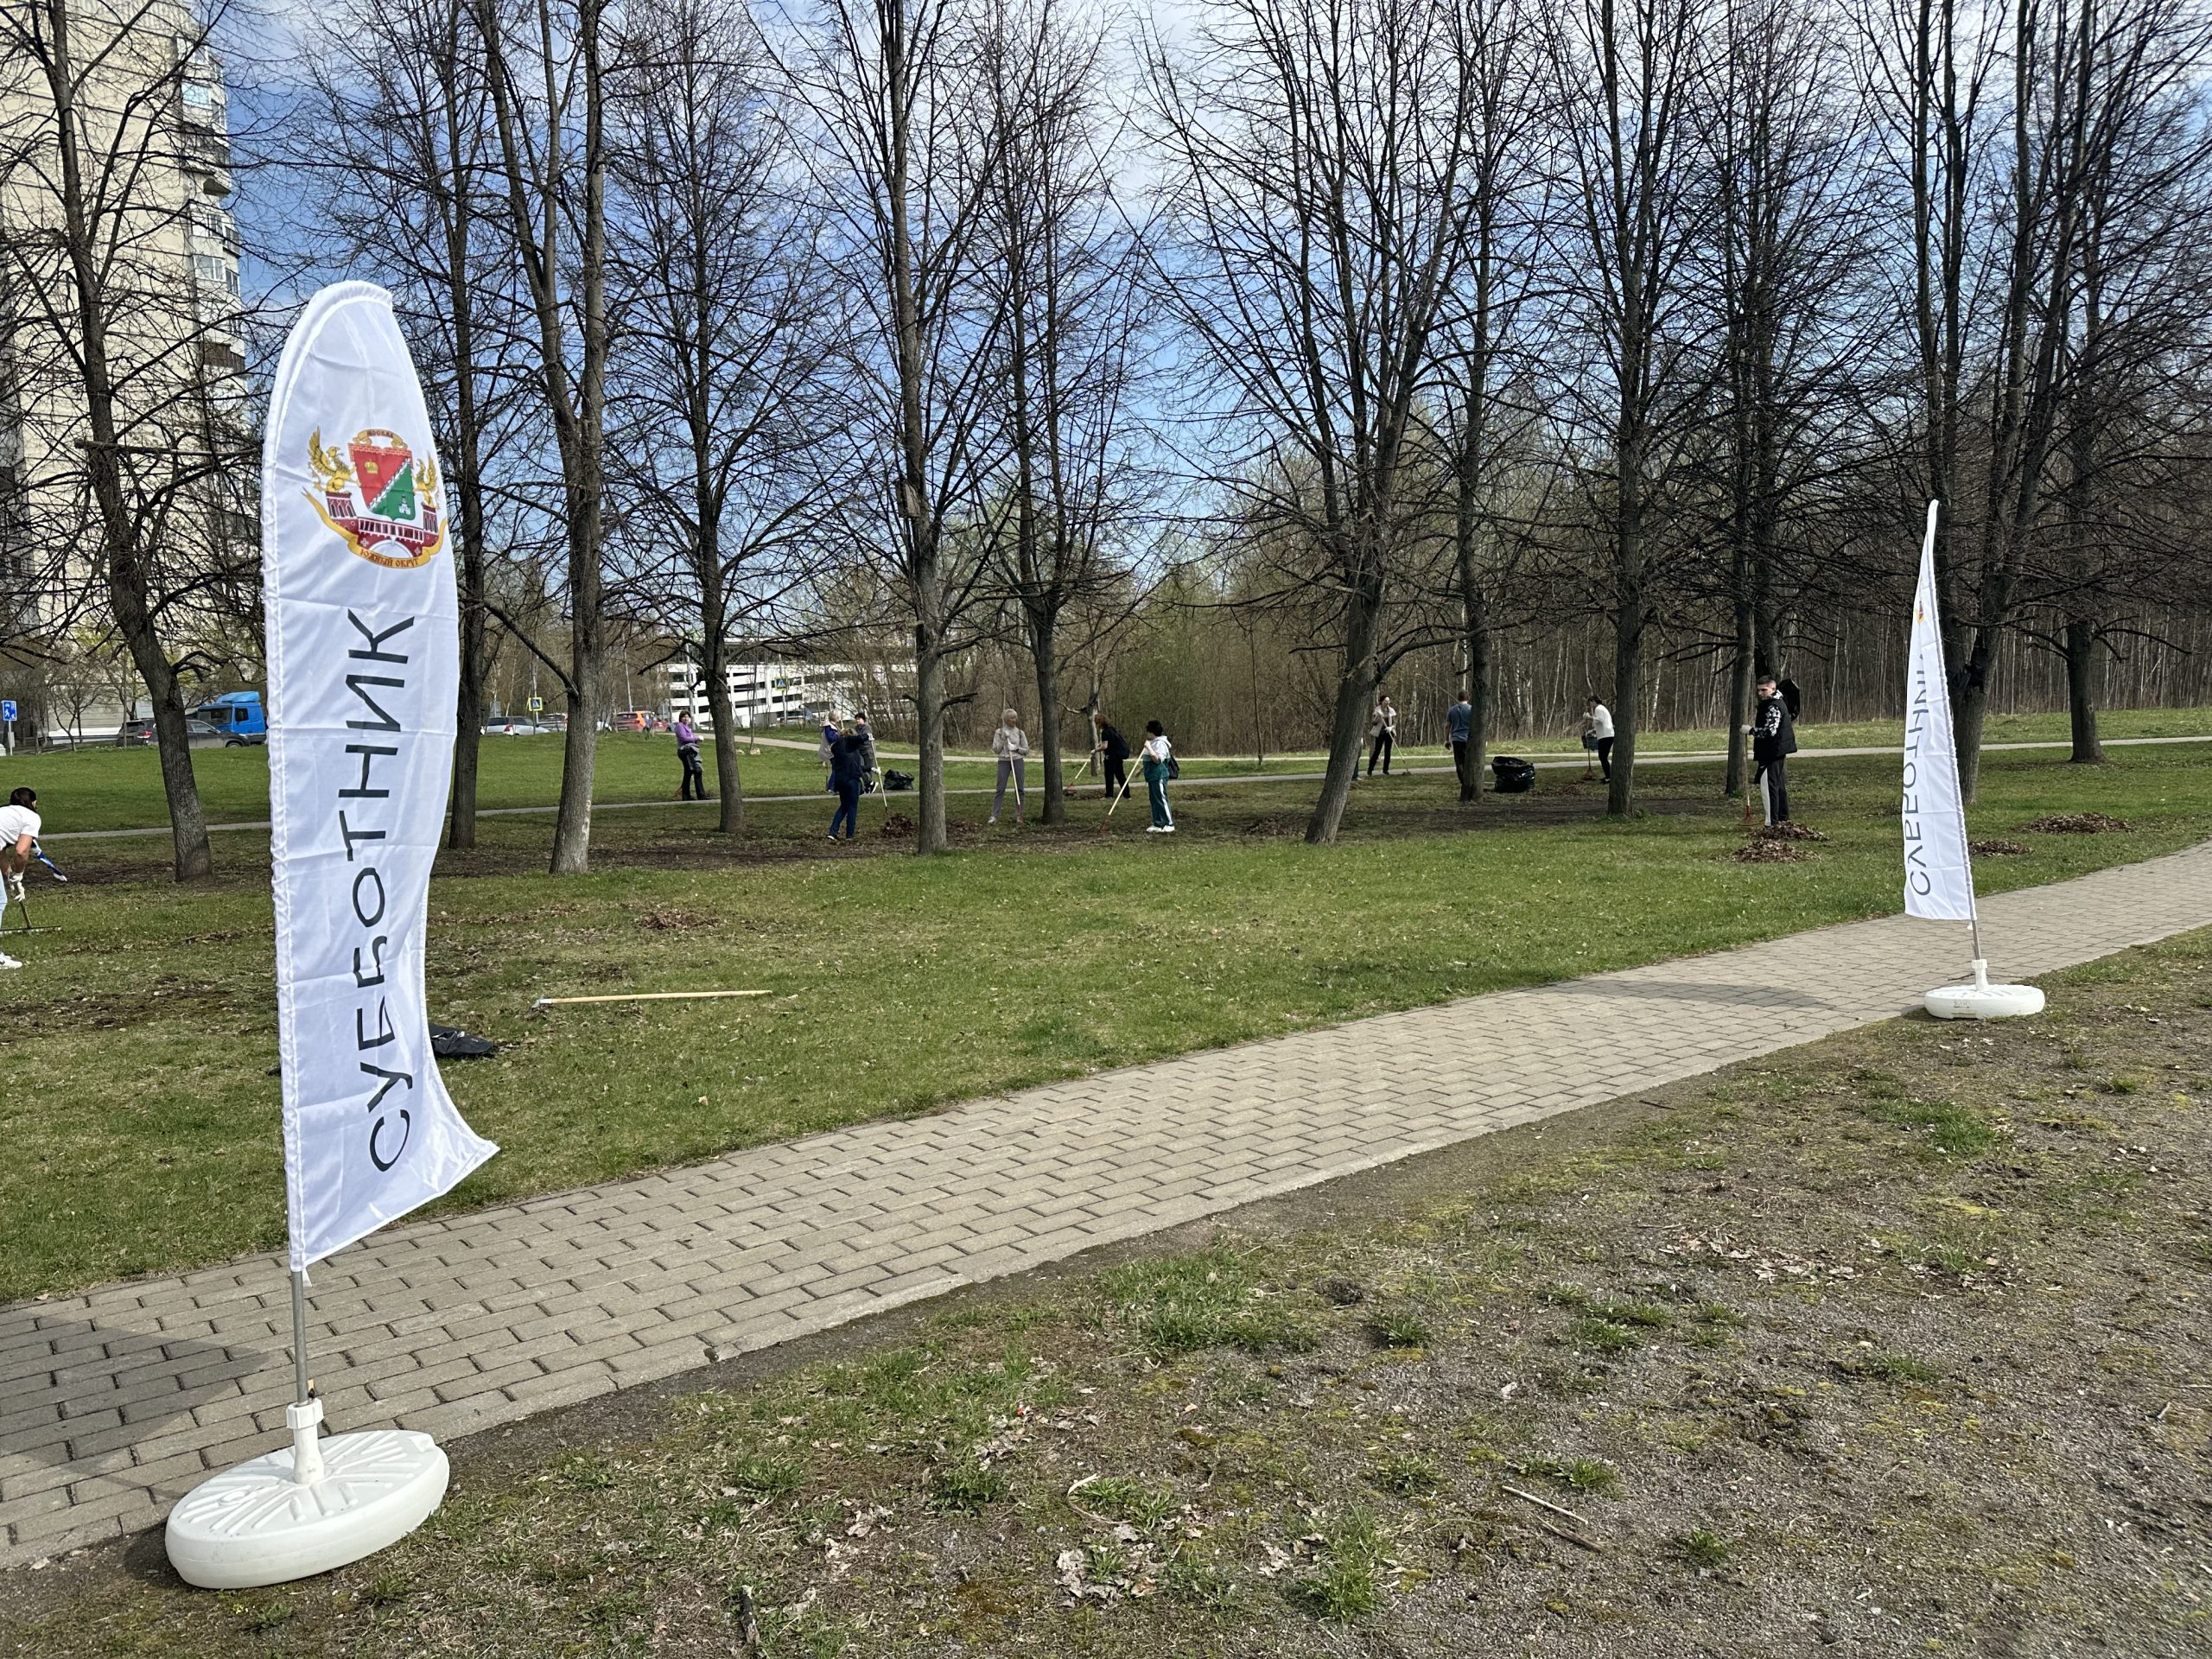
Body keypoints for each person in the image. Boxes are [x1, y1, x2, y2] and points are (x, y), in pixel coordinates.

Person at [0, 785, 41, 970]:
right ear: (33, 803)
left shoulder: (4, 812)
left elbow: (0, 851)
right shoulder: (32, 817)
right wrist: (19, 873)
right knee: (0, 901)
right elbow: (21, 851)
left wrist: (10, 877)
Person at [1749, 671, 1797, 824]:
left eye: (1764, 690)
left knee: (1769, 787)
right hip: (1777, 750)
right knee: (1778, 785)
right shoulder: (1777, 703)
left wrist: (1750, 731)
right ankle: (1783, 818)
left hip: (1771, 752)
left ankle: (1772, 822)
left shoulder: (1773, 706)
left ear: (1773, 689)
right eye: (1758, 690)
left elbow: (1770, 731)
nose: (1760, 693)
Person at [823, 719, 867, 841]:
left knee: (844, 806)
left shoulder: (836, 747)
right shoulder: (850, 744)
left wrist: (871, 768)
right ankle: (850, 834)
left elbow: (855, 765)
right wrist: (868, 736)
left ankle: (833, 832)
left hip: (840, 780)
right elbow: (859, 739)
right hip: (852, 780)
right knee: (852, 807)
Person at [989, 707, 1030, 825]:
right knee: (1000, 789)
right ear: (1006, 719)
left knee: (1019, 788)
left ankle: (1019, 815)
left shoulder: (1020, 733)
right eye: (1012, 718)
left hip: (1017, 761)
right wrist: (1003, 738)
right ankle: (994, 815)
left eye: (1015, 718)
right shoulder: (999, 732)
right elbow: (996, 750)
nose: (1014, 720)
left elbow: (1026, 750)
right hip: (1004, 761)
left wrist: (1016, 748)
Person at [1140, 720, 1175, 833]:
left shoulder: (1160, 743)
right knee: (1154, 800)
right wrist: (1140, 770)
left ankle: (1169, 823)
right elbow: (1149, 760)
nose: (1147, 734)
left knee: (1161, 799)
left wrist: (1149, 748)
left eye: (1148, 731)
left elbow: (1158, 760)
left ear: (1152, 732)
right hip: (1151, 776)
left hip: (1159, 776)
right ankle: (1158, 824)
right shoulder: (1153, 742)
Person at [1092, 711, 1131, 806]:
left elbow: (1104, 746)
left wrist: (1095, 750)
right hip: (1118, 756)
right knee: (1120, 775)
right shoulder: (1112, 729)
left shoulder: (1105, 733)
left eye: (1097, 723)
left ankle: (1109, 795)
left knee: (1109, 775)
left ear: (1100, 723)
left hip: (1110, 757)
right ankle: (1127, 795)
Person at [1446, 691, 1475, 802]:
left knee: (1459, 763)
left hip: (1457, 739)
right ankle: (1470, 785)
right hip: (1468, 739)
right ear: (1468, 698)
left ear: (1458, 698)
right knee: (1469, 763)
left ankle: (1463, 783)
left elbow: (1448, 726)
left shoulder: (1452, 710)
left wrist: (1447, 740)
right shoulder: (1471, 709)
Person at [1581, 696, 1615, 781]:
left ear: (1593, 701)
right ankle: (1608, 776)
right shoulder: (1602, 708)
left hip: (1606, 736)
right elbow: (1601, 723)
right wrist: (1592, 730)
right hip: (1607, 735)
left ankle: (1609, 777)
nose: (1590, 705)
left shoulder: (1599, 708)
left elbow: (1600, 720)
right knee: (1603, 757)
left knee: (1603, 757)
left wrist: (1589, 717)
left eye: (1590, 702)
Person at [673, 715, 706, 801]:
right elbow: (684, 739)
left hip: (690, 751)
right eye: (684, 717)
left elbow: (690, 739)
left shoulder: (687, 727)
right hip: (685, 751)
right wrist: (696, 738)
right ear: (680, 718)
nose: (686, 718)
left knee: (693, 771)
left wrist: (697, 740)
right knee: (694, 771)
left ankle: (690, 795)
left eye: (687, 717)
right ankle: (692, 795)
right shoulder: (680, 726)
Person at [1366, 694, 1397, 776]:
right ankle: (1370, 769)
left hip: (1389, 732)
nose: (1387, 702)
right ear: (1382, 701)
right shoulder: (1377, 710)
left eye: (1388, 701)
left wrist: (1391, 728)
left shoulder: (1391, 710)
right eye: (1386, 701)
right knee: (1377, 751)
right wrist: (1378, 718)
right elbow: (1373, 723)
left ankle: (1385, 770)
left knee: (1388, 751)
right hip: (1380, 733)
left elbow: (1395, 723)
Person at [853, 714, 879, 792]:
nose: (857, 720)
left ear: (863, 719)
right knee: (861, 767)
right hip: (859, 750)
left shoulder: (867, 727)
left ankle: (869, 786)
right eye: (856, 719)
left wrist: (857, 738)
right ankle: (868, 783)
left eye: (859, 719)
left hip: (868, 750)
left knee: (869, 768)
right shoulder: (856, 728)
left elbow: (864, 737)